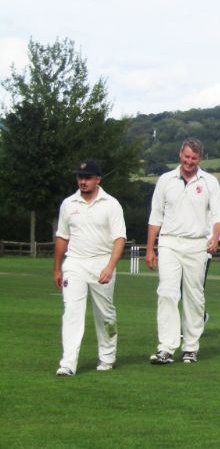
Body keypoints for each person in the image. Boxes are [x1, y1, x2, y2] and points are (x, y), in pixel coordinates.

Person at [146, 137, 220, 364]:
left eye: (193, 158)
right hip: (169, 242)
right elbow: (155, 216)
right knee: (166, 293)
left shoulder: (210, 182)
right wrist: (150, 248)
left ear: (200, 158)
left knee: (194, 296)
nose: (189, 162)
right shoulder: (165, 180)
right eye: (186, 157)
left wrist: (214, 237)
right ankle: (166, 348)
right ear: (180, 154)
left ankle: (191, 348)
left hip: (196, 244)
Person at [53, 160, 126, 376]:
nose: (83, 181)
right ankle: (68, 363)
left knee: (105, 314)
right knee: (72, 313)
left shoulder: (111, 204)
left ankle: (107, 356)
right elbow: (62, 236)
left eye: (87, 178)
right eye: (80, 177)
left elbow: (119, 238)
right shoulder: (68, 204)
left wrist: (110, 267)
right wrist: (57, 268)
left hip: (102, 262)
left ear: (98, 179)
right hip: (75, 263)